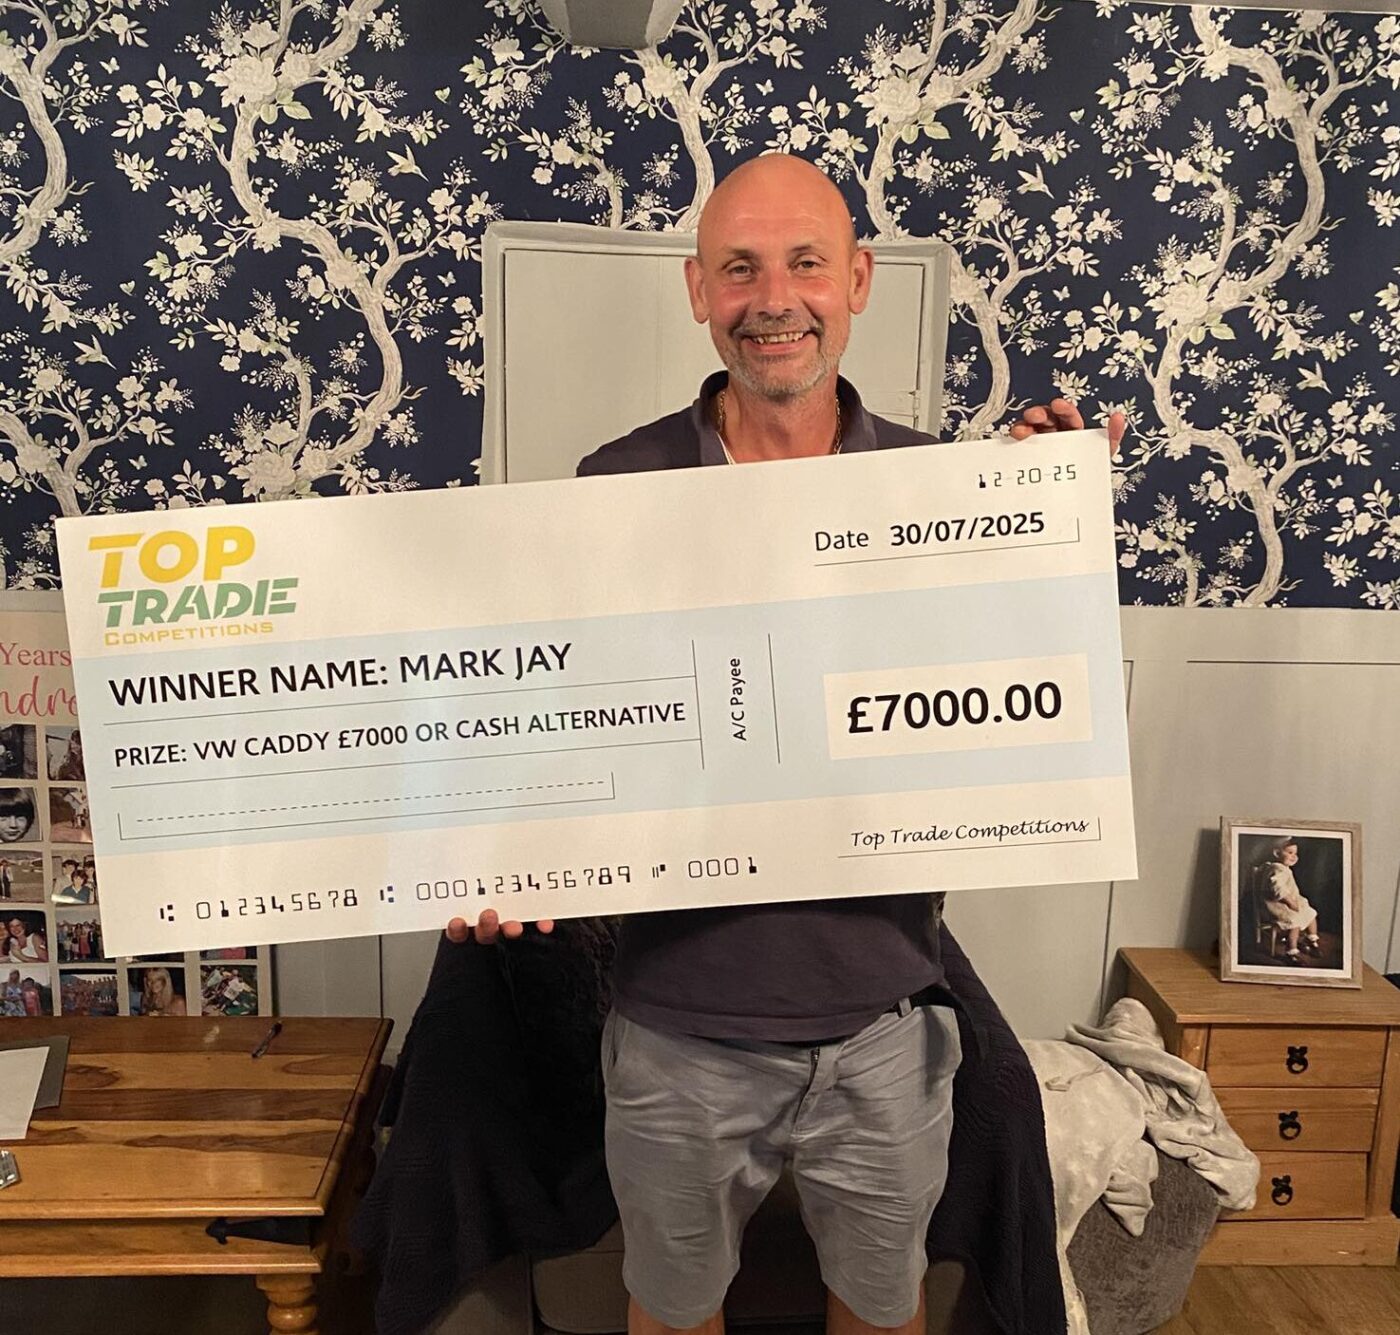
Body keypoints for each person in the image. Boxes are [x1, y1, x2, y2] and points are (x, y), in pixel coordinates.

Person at [448, 155, 1124, 1335]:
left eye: (805, 263)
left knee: (880, 1307)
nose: (773, 298)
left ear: (855, 280)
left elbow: (1011, 704)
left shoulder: (940, 488)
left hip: (881, 1017)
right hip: (674, 1024)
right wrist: (496, 858)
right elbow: (561, 728)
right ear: (695, 290)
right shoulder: (614, 485)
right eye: (739, 269)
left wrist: (1046, 526)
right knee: (670, 1310)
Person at [1256, 837, 1321, 965]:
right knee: (1294, 922)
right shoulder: (1277, 869)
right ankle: (1291, 952)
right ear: (1277, 853)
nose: (1294, 856)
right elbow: (1277, 889)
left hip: (1288, 902)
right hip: (1277, 905)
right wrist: (1290, 902)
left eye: (1295, 853)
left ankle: (1311, 940)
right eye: (1290, 853)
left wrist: (1294, 902)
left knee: (1310, 913)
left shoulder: (1282, 868)